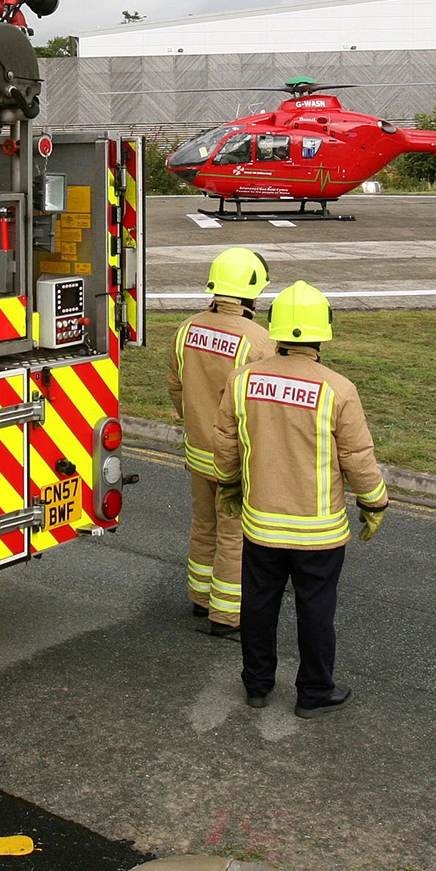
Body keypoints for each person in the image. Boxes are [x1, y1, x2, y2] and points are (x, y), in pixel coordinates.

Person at [211, 281, 387, 719]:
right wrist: (374, 503)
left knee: (258, 606)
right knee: (316, 611)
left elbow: (226, 443)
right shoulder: (338, 389)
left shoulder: (243, 379)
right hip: (319, 533)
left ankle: (257, 686)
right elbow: (357, 457)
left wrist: (229, 484)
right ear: (322, 333)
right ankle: (314, 692)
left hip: (261, 526)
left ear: (275, 329)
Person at [166, 247, 275, 639]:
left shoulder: (187, 329)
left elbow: (176, 388)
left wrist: (196, 422)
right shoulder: (260, 342)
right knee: (234, 536)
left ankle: (200, 597)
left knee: (204, 524)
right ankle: (227, 615)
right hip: (237, 456)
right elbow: (262, 408)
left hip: (198, 450)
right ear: (251, 293)